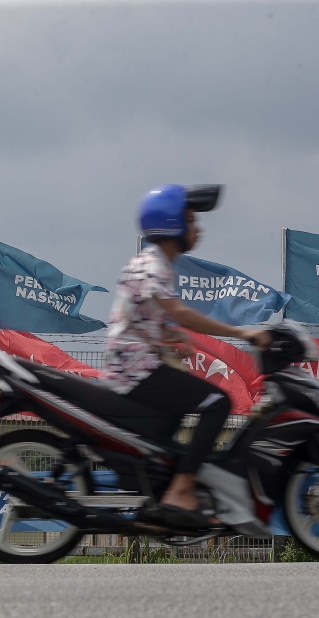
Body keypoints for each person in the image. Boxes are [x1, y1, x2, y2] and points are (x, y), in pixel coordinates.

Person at [104, 184, 270, 529]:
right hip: (136, 368)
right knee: (216, 403)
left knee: (176, 421)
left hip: (133, 364)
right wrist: (242, 332)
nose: (199, 229)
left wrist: (172, 336)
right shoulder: (154, 265)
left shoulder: (151, 264)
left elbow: (147, 317)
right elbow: (178, 312)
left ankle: (161, 494)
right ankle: (181, 490)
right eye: (191, 220)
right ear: (172, 224)